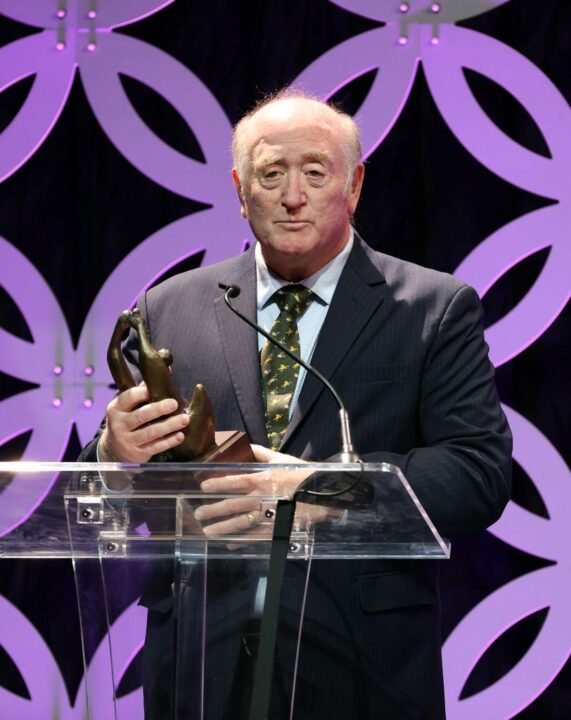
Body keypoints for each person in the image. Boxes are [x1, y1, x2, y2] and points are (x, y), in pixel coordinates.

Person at [81, 91, 512, 719]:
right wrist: (114, 452)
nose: (292, 195)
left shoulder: (430, 308)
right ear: (239, 188)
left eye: (315, 172)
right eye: (270, 173)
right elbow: (112, 493)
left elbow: (477, 475)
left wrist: (323, 492)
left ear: (354, 184)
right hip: (203, 662)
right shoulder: (170, 307)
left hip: (361, 665)